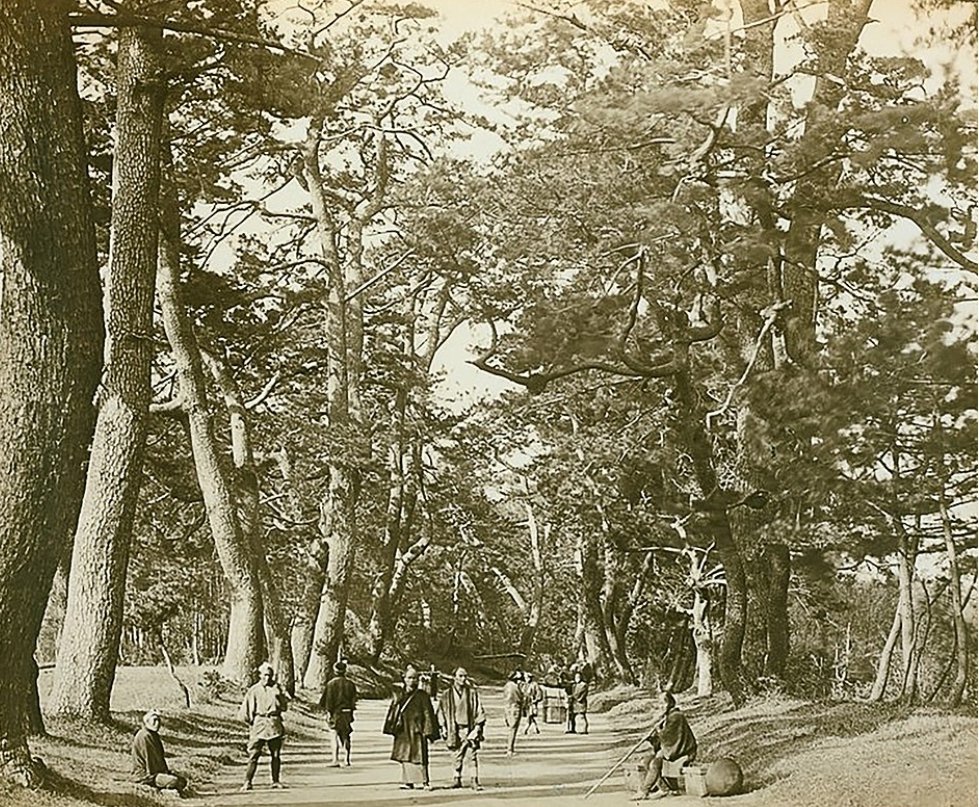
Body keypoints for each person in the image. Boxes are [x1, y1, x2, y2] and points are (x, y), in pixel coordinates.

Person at [632, 691, 697, 801]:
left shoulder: (676, 717)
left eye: (663, 703)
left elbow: (669, 737)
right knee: (646, 761)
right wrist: (651, 738)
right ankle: (665, 788)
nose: (661, 706)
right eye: (659, 704)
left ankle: (643, 791)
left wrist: (658, 732)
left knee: (655, 763)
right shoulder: (667, 717)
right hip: (674, 750)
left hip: (683, 752)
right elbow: (662, 739)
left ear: (670, 703)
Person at [383, 665, 440, 790]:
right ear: (404, 679)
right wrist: (392, 726)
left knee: (420, 756)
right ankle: (408, 781)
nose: (412, 680)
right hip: (403, 729)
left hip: (417, 729)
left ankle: (425, 781)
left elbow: (428, 713)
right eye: (409, 678)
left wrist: (428, 731)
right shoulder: (399, 694)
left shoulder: (423, 695)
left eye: (414, 678)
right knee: (405, 756)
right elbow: (393, 711)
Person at [238, 661, 289, 791]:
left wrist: (279, 695)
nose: (267, 678)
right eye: (265, 675)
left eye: (269, 675)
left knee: (275, 754)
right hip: (259, 722)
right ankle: (247, 782)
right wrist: (253, 723)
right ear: (260, 675)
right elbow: (246, 711)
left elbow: (284, 707)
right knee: (254, 754)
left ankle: (275, 781)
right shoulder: (254, 690)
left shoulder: (277, 688)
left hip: (274, 722)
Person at [436, 667, 486, 790]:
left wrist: (477, 728)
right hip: (453, 728)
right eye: (460, 676)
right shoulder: (446, 695)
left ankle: (474, 780)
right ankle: (456, 779)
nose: (463, 679)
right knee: (456, 754)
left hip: (469, 728)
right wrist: (443, 727)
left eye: (465, 676)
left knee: (471, 754)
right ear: (454, 677)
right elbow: (441, 711)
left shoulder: (472, 693)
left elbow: (479, 710)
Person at [131, 709, 188, 795]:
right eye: (154, 720)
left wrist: (167, 772)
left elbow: (160, 758)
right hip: (146, 775)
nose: (157, 723)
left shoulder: (153, 735)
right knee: (174, 781)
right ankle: (162, 788)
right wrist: (162, 774)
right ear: (147, 721)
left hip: (156, 772)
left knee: (182, 781)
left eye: (158, 720)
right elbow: (150, 761)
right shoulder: (145, 736)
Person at [319, 660, 357, 767]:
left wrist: (328, 713)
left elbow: (327, 701)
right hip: (347, 712)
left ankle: (335, 759)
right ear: (345, 671)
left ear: (335, 671)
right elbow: (354, 700)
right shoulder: (351, 684)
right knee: (346, 735)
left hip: (335, 713)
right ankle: (346, 759)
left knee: (334, 734)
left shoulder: (331, 684)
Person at [502, 670, 524, 756]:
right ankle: (510, 749)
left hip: (508, 707)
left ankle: (510, 748)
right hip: (514, 707)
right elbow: (520, 698)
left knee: (512, 728)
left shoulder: (507, 686)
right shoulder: (514, 687)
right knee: (513, 729)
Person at [570, 670, 589, 734]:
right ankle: (573, 729)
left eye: (578, 677)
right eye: (576, 677)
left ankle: (584, 730)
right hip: (574, 703)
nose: (577, 678)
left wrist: (579, 699)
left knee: (582, 716)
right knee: (573, 717)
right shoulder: (574, 685)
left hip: (581, 702)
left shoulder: (584, 685)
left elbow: (583, 694)